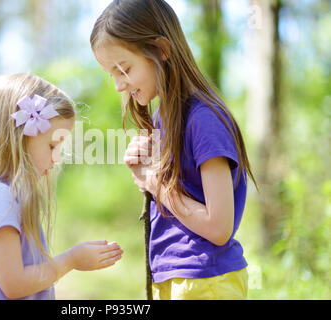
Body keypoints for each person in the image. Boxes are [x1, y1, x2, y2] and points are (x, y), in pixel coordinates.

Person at [90, 0, 258, 300]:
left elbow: (219, 227)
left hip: (205, 280)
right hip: (174, 276)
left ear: (162, 50)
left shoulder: (204, 119)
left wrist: (154, 182)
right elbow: (176, 197)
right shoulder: (163, 119)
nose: (118, 86)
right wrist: (145, 172)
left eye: (124, 69)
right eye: (110, 74)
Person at [0, 73, 123, 299]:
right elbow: (14, 284)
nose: (57, 158)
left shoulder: (8, 195)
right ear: (18, 137)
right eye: (52, 145)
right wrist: (72, 259)